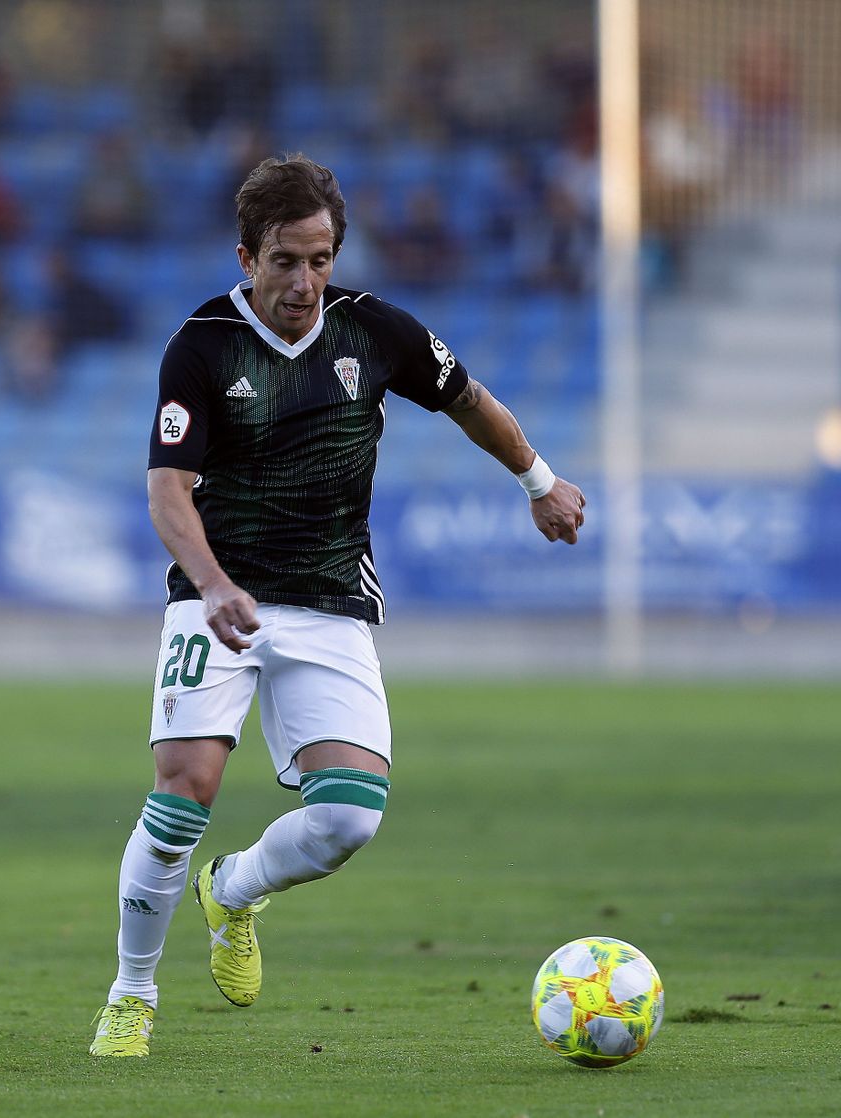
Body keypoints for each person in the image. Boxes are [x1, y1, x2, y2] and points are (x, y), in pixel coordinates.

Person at [88, 154, 585, 1057]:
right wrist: (212, 584)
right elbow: (167, 491)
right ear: (247, 258)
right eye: (285, 261)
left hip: (329, 602)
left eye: (320, 259)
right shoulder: (201, 346)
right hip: (217, 600)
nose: (304, 282)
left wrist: (538, 481)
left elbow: (468, 400)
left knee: (351, 815)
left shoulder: (377, 331)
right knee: (183, 793)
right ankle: (132, 996)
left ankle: (232, 891)